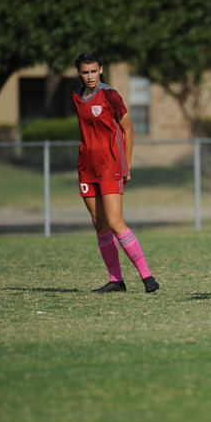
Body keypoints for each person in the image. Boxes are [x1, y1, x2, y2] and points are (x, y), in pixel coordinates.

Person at [72, 51, 159, 294]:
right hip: (86, 167)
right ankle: (116, 281)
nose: (90, 76)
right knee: (99, 223)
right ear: (79, 73)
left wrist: (125, 165)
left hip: (110, 166)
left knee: (115, 221)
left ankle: (147, 277)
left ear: (101, 69)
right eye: (85, 72)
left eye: (93, 71)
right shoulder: (76, 97)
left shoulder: (110, 95)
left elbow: (128, 131)